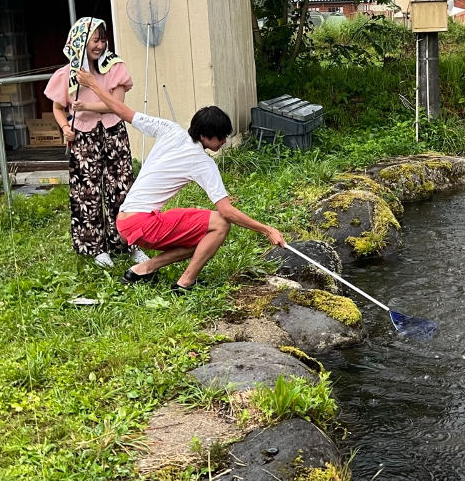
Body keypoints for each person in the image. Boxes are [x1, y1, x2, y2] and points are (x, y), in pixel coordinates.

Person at [75, 69, 286, 293]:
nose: (224, 141)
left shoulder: (170, 129)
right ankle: (185, 283)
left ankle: (142, 269)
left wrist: (93, 85)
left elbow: (123, 111)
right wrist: (266, 230)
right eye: (220, 137)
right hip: (143, 225)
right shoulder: (203, 162)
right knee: (220, 224)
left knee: (205, 237)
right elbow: (226, 211)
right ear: (204, 136)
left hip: (124, 221)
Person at [44, 18, 135, 268]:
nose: (100, 44)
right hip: (83, 136)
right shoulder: (67, 74)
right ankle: (95, 248)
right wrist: (65, 128)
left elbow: (116, 105)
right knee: (87, 192)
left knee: (122, 188)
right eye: (95, 39)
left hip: (113, 132)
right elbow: (57, 107)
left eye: (103, 39)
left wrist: (86, 105)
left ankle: (128, 244)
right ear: (80, 42)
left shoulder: (115, 67)